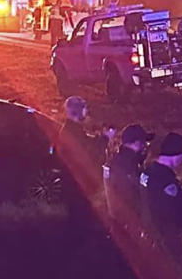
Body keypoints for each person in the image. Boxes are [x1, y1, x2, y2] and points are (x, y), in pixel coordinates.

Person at [55, 96, 114, 227]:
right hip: (77, 185)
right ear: (78, 111)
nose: (87, 112)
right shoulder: (72, 132)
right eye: (84, 109)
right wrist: (106, 138)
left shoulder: (71, 129)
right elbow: (89, 150)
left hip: (74, 182)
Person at [104, 122, 153, 227]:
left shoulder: (118, 160)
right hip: (130, 227)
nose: (145, 147)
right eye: (144, 143)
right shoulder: (127, 166)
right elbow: (133, 200)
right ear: (136, 143)